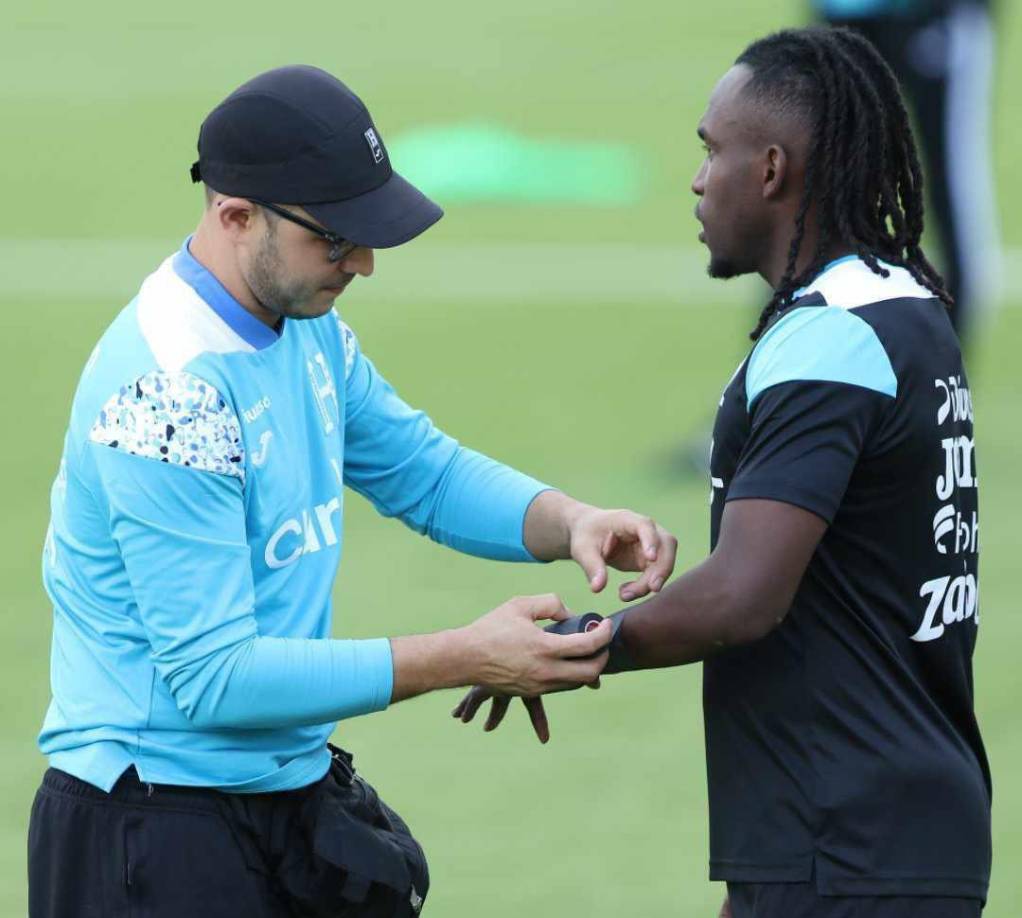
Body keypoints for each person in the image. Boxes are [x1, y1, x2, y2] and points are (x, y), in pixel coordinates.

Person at [28, 65, 677, 917]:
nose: (364, 262)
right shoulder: (166, 391)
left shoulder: (304, 327)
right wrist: (463, 655)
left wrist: (570, 521)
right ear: (235, 216)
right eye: (336, 239)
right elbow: (215, 678)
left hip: (280, 794)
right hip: (150, 828)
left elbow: (424, 472)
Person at [456, 27, 990, 918]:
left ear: (772, 169)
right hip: (894, 830)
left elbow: (746, 594)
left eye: (713, 152)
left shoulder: (830, 340)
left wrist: (576, 647)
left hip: (841, 842)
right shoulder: (905, 310)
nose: (700, 179)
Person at [815, 0, 1000, 345]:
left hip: (936, 16)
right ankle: (786, 381)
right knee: (819, 187)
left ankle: (944, 383)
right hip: (848, 14)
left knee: (951, 189)